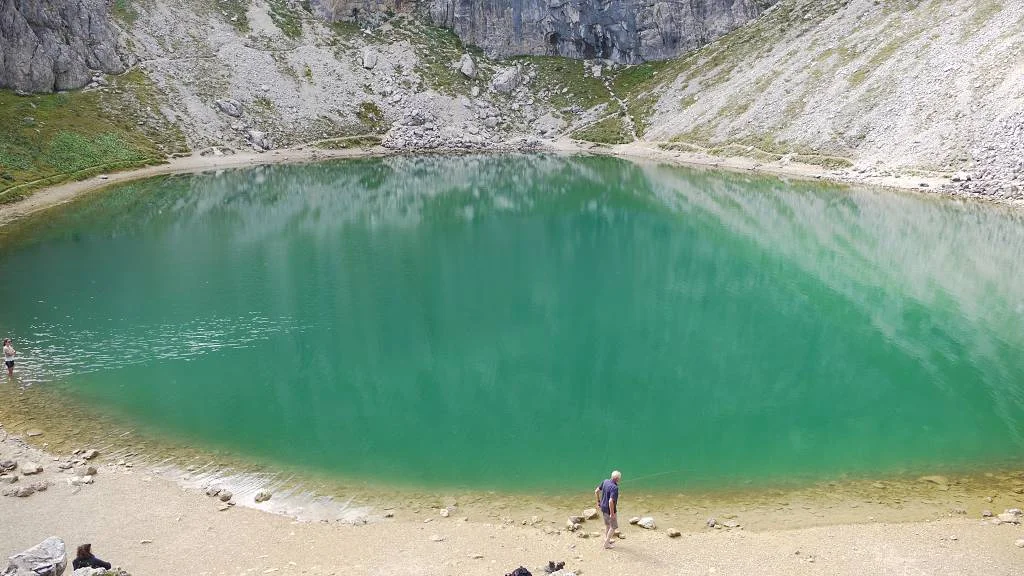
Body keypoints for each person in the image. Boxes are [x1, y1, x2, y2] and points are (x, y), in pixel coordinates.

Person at [594, 469, 621, 549]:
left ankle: (607, 539)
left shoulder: (605, 481)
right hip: (610, 510)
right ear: (617, 479)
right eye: (619, 478)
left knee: (607, 525)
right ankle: (606, 543)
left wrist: (598, 502)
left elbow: (596, 491)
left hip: (603, 507)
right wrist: (612, 514)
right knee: (614, 527)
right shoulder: (615, 488)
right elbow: (610, 502)